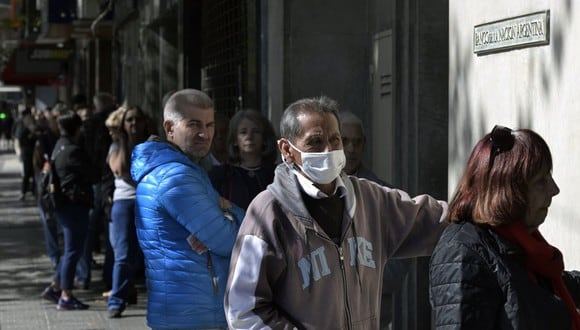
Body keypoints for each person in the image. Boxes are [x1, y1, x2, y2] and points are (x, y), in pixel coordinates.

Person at [224, 96, 448, 329]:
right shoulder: (268, 213)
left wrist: (481, 213)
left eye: (335, 140)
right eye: (315, 142)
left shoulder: (370, 200)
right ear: (287, 150)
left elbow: (434, 220)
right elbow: (243, 311)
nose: (328, 150)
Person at [429, 125, 580, 329]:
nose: (554, 190)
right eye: (541, 181)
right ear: (508, 190)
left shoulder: (522, 246)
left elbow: (552, 287)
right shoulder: (462, 252)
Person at [130, 89, 245, 329]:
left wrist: (222, 216)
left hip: (189, 311)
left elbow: (219, 235)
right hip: (191, 316)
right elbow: (231, 240)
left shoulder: (185, 169)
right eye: (194, 125)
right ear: (170, 127)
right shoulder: (175, 176)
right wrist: (230, 213)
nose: (205, 133)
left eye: (210, 125)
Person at [339, 110, 411, 329]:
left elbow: (399, 264)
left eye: (357, 142)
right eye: (344, 141)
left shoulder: (385, 195)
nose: (351, 149)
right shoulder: (311, 192)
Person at [40, 111, 93, 310]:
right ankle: (66, 295)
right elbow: (92, 173)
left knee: (71, 251)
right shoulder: (72, 150)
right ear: (77, 128)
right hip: (73, 205)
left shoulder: (58, 146)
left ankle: (55, 287)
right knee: (73, 251)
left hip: (64, 205)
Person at [106, 106, 150, 318]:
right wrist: (123, 142)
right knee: (123, 254)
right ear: (123, 124)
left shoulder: (151, 145)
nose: (134, 124)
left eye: (137, 119)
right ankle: (116, 301)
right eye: (129, 120)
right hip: (124, 203)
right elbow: (121, 169)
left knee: (149, 253)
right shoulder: (116, 146)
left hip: (148, 203)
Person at [209, 109, 277, 210]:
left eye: (256, 132)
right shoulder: (220, 175)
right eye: (243, 132)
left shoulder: (277, 174)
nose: (249, 137)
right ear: (235, 140)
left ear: (265, 139)